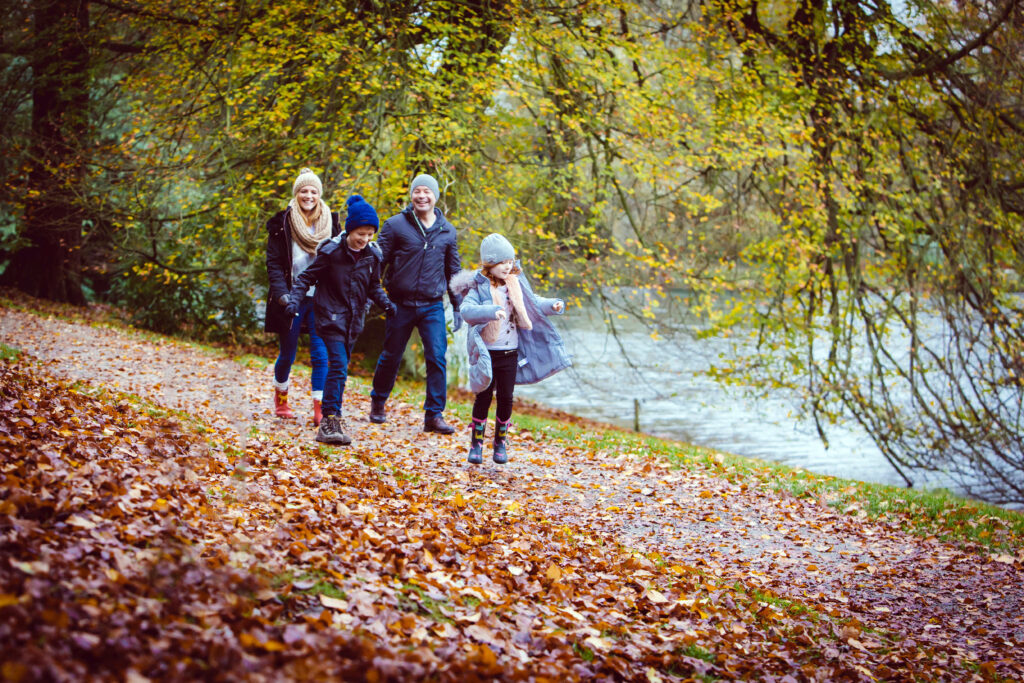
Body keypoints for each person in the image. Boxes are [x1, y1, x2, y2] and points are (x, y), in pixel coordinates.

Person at [286, 195, 396, 445]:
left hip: (353, 322)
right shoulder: (331, 251)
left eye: (370, 234)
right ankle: (329, 421)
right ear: (350, 229)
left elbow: (373, 287)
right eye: (361, 233)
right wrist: (293, 301)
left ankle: (333, 416)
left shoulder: (372, 255)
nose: (365, 239)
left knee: (341, 369)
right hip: (329, 318)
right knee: (338, 366)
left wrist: (387, 304)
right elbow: (305, 278)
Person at [452, 233, 571, 464]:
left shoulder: (515, 285)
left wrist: (553, 305)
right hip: (487, 352)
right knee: (484, 396)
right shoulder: (478, 288)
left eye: (510, 262)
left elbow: (533, 303)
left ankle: (500, 443)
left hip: (510, 352)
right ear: (490, 263)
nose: (508, 267)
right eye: (503, 262)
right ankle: (476, 444)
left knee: (506, 397)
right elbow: (466, 311)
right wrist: (489, 311)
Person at [368, 173, 462, 434]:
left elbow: (453, 271)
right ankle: (378, 401)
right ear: (412, 195)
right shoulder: (396, 225)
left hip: (432, 305)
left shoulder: (447, 230)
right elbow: (378, 261)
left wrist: (457, 306)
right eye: (417, 191)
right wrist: (375, 296)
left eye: (427, 192)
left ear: (435, 196)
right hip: (400, 303)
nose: (422, 196)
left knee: (437, 358)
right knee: (391, 355)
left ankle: (434, 415)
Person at [264, 167, 340, 425]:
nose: (309, 195)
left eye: (313, 191)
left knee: (321, 355)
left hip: (321, 298)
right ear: (297, 194)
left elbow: (339, 261)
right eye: (304, 191)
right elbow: (274, 263)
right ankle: (281, 400)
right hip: (292, 298)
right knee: (288, 353)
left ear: (319, 194)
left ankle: (320, 409)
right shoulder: (282, 224)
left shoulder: (331, 223)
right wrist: (282, 295)